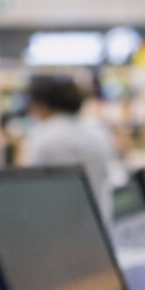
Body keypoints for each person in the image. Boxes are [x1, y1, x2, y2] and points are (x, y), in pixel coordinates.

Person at [21, 75, 119, 223]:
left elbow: (29, 190)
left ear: (41, 104)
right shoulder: (97, 134)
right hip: (97, 224)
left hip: (58, 227)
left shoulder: (43, 138)